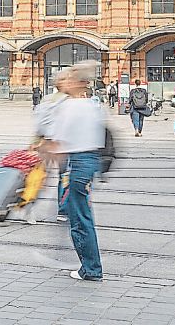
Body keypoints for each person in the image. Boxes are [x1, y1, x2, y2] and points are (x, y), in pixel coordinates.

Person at [44, 61, 106, 281]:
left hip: (77, 165)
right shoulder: (93, 105)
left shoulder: (68, 106)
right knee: (83, 215)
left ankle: (90, 269)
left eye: (70, 78)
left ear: (79, 82)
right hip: (90, 163)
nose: (66, 82)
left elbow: (57, 142)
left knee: (80, 220)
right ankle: (91, 267)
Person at [35, 70, 72, 223]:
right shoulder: (68, 101)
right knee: (64, 177)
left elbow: (39, 123)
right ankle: (63, 209)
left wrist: (36, 141)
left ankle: (29, 206)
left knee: (42, 177)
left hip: (48, 143)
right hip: (61, 145)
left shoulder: (47, 99)